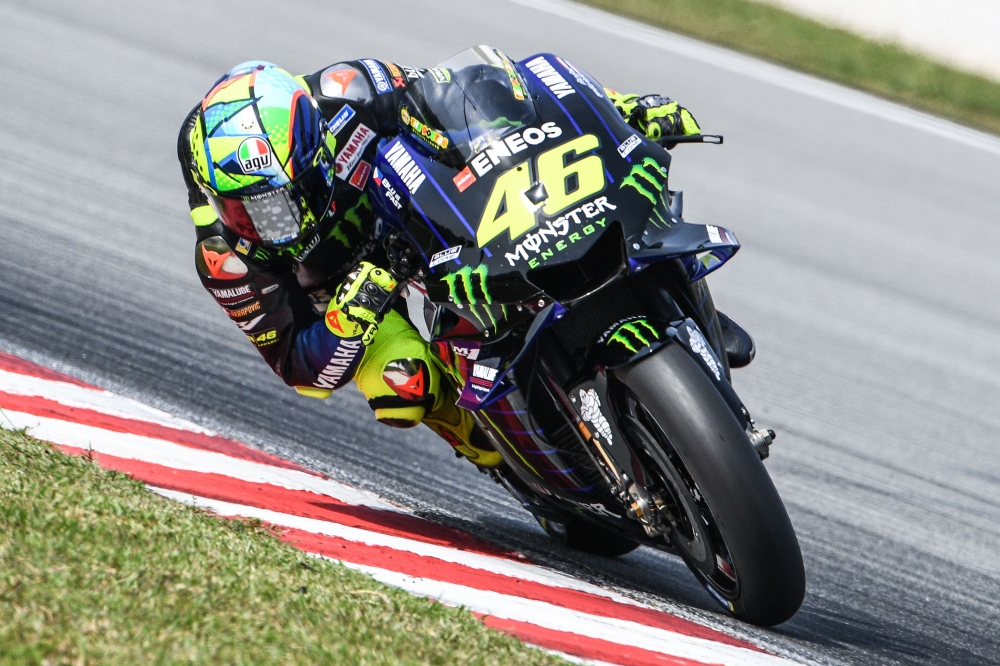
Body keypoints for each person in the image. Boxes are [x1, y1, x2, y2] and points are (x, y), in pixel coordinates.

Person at [176, 51, 750, 469]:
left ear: (314, 148)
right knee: (405, 384)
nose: (265, 224)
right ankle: (501, 451)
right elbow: (302, 370)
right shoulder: (224, 259)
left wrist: (616, 115)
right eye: (240, 209)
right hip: (347, 288)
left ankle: (675, 301)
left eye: (275, 202)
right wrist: (347, 319)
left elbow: (464, 102)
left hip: (419, 213)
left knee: (597, 194)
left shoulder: (349, 92)